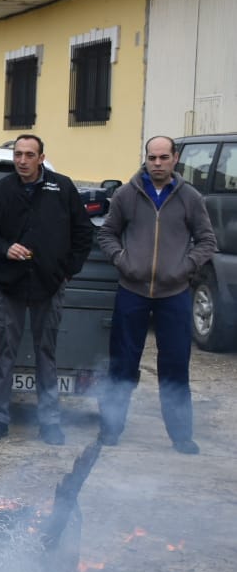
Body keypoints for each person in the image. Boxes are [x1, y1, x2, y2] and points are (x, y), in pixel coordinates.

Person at [95, 135, 217, 453]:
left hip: (174, 293)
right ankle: (110, 429)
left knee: (175, 364)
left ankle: (181, 436)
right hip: (132, 290)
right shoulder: (126, 194)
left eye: (164, 157)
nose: (158, 164)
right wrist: (123, 261)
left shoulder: (190, 197)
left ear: (175, 159)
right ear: (146, 159)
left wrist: (184, 267)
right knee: (122, 363)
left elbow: (207, 241)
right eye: (152, 158)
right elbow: (107, 233)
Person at [0, 134, 94, 445]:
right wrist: (5, 248)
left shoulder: (62, 188)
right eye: (18, 154)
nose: (22, 161)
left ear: (42, 158)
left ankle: (50, 422)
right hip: (10, 284)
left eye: (29, 155)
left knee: (46, 355)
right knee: (4, 355)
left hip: (49, 284)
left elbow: (83, 233)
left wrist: (67, 272)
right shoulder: (1, 191)